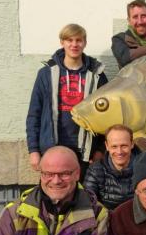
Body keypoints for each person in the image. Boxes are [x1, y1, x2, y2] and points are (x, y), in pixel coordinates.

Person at [26, 24, 108, 180]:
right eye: (69, 40)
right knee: (56, 190)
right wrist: (33, 150)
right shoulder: (46, 74)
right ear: (62, 42)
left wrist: (100, 150)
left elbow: (105, 116)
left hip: (86, 152)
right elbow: (34, 114)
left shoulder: (97, 75)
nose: (74, 44)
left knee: (84, 193)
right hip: (52, 148)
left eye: (79, 40)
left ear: (85, 43)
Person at [84, 124, 139, 210]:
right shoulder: (95, 170)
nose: (119, 151)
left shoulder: (145, 167)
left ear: (132, 144)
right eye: (114, 146)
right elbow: (87, 202)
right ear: (107, 146)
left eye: (124, 146)